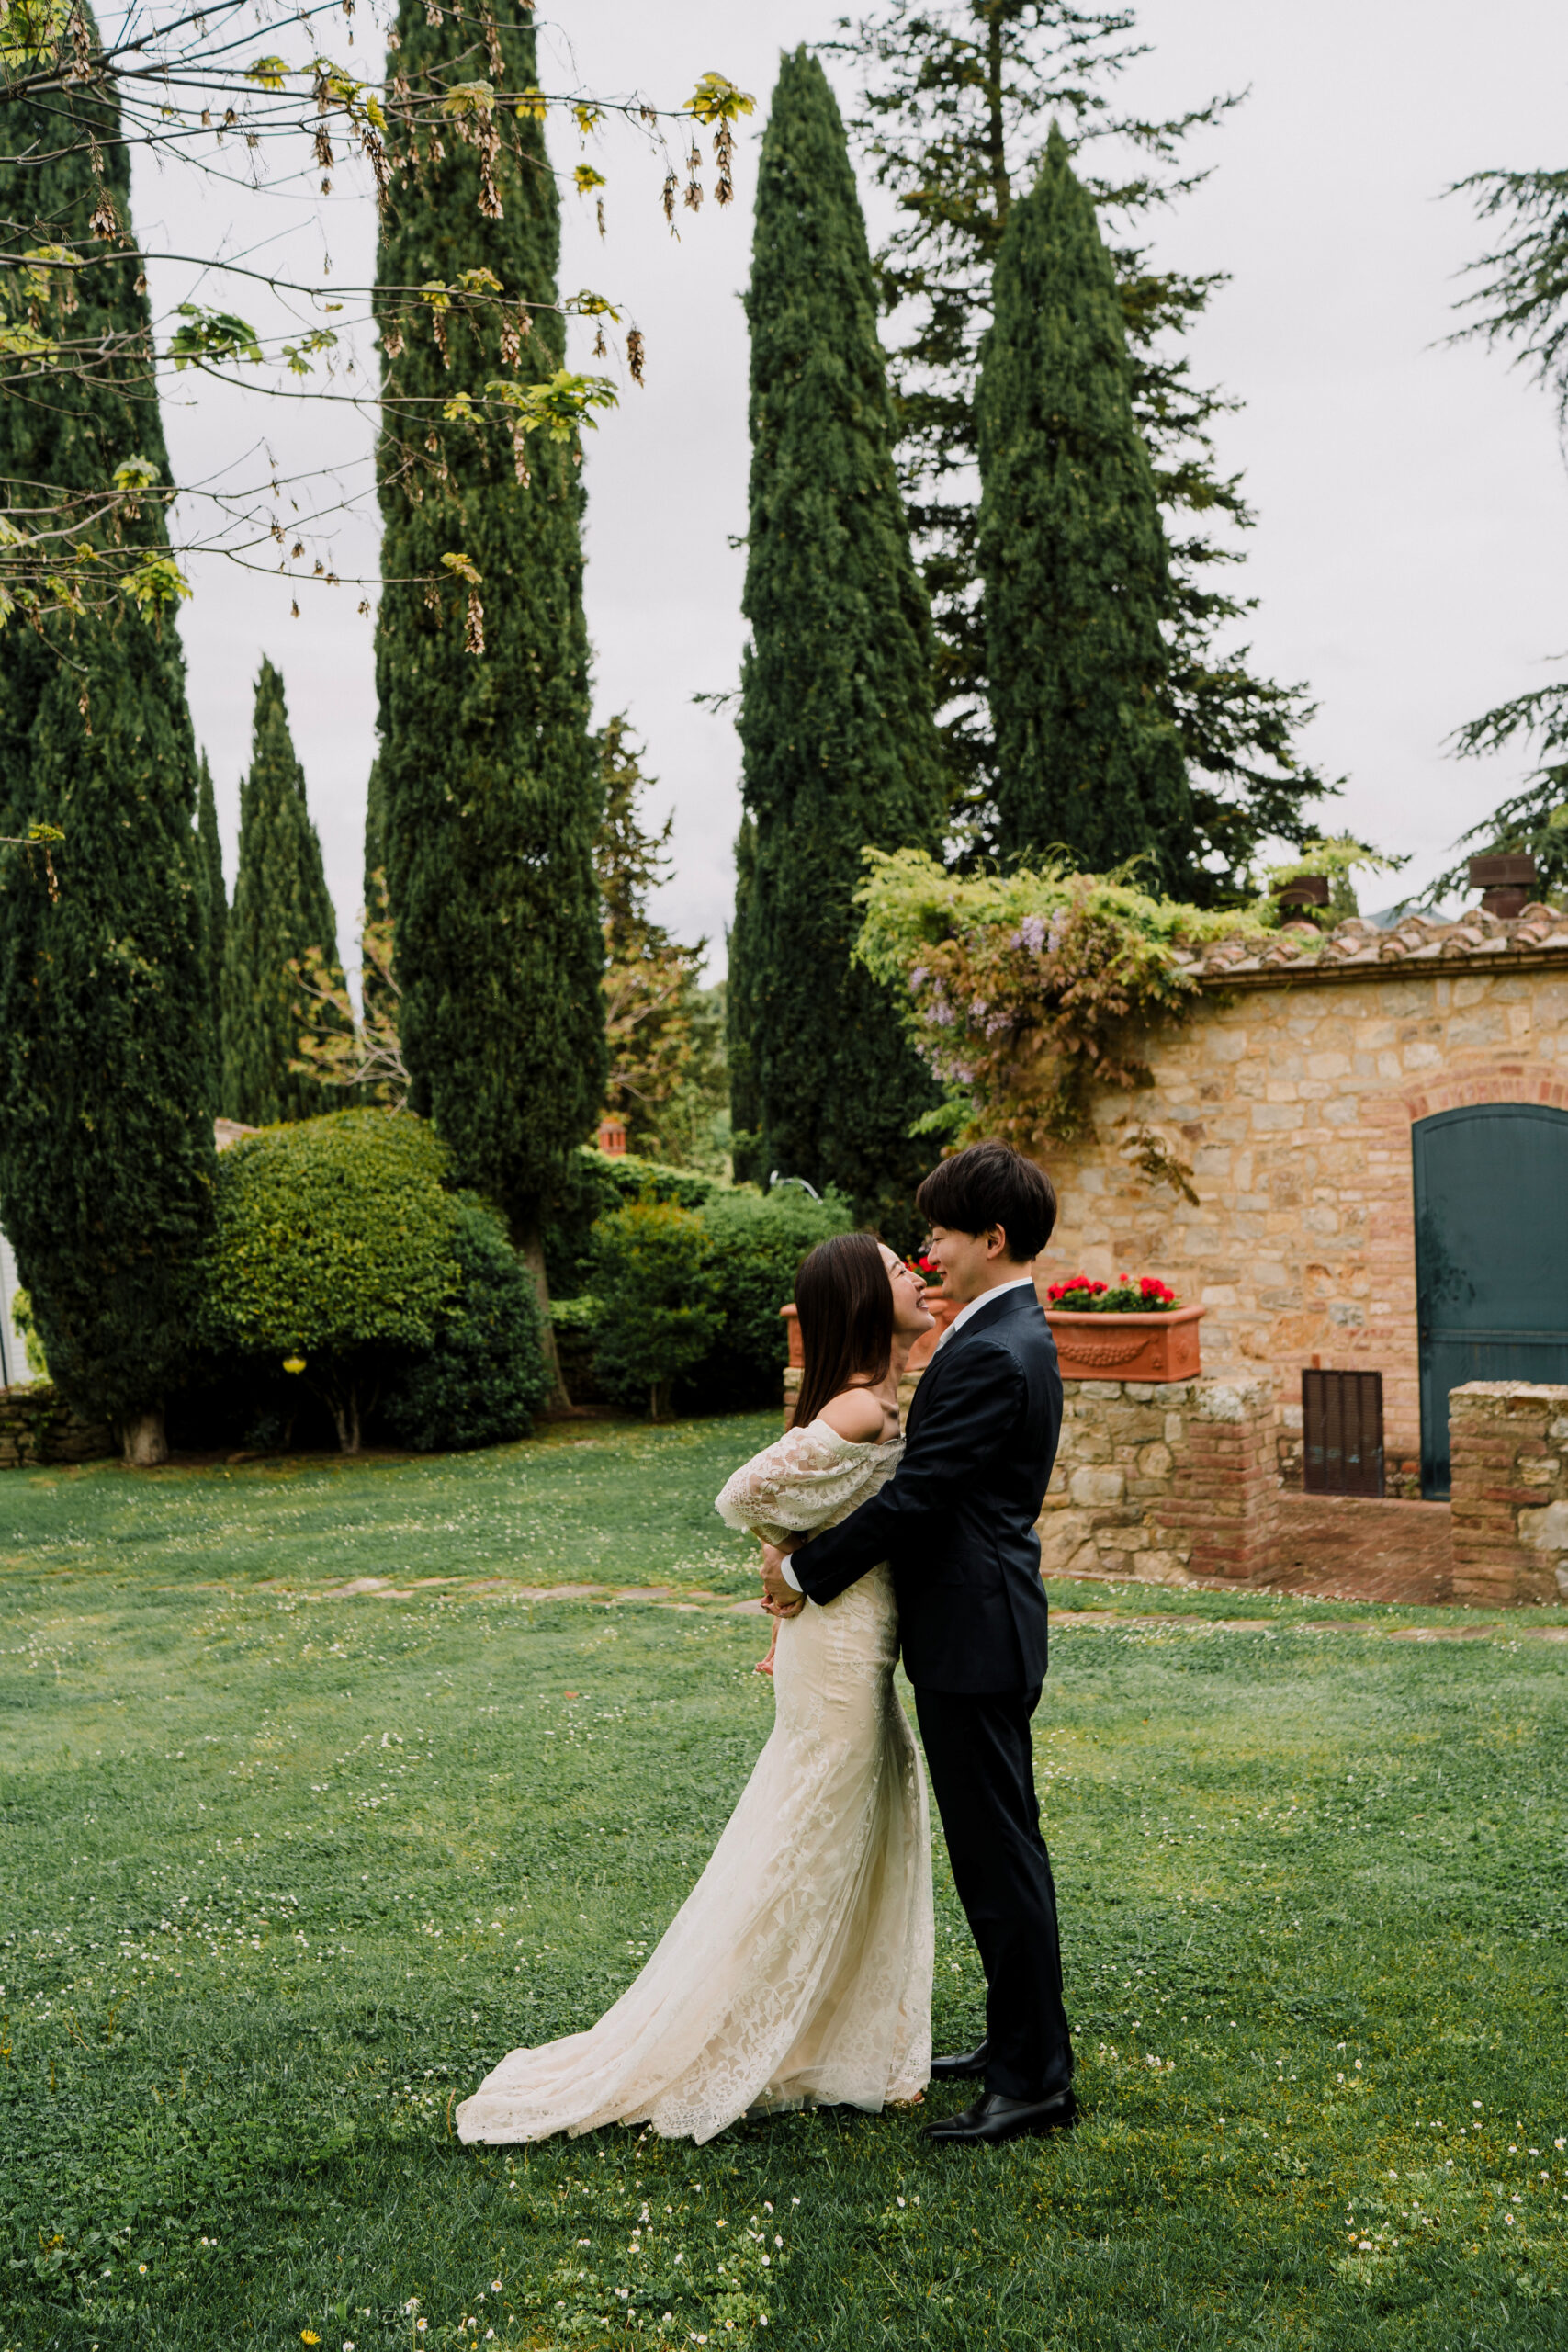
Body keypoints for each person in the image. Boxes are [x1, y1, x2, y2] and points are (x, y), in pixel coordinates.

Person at [456, 1231, 937, 2146]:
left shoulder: (876, 1400)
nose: (914, 1274)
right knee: (806, 1845)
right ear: (862, 1301)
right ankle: (732, 2038)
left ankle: (829, 2039)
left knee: (852, 1834)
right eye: (893, 1269)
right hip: (836, 1658)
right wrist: (779, 1546)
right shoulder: (857, 1408)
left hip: (855, 1645)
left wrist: (792, 1549)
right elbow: (743, 1492)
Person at [761, 1140, 1072, 2146]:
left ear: (993, 1237)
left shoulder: (991, 1349)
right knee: (999, 1851)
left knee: (999, 1858)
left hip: (974, 1634)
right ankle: (1015, 2043)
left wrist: (804, 1571)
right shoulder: (1001, 1332)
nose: (928, 1249)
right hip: (978, 1626)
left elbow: (921, 1498)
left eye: (940, 1232)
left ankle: (1033, 2081)